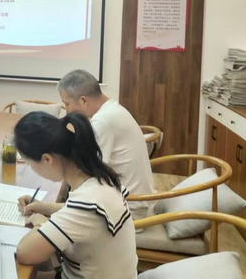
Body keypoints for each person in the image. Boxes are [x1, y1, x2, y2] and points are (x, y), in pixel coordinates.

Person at [15, 112, 137, 279]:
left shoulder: (86, 205)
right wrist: (46, 208)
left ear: (47, 159)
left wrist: (40, 222)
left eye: (29, 163)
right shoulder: (100, 177)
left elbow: (25, 253)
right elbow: (82, 214)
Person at [55, 69, 154, 219]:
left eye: (66, 104)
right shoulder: (113, 109)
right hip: (136, 200)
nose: (67, 111)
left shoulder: (102, 122)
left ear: (83, 100)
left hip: (128, 209)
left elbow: (89, 175)